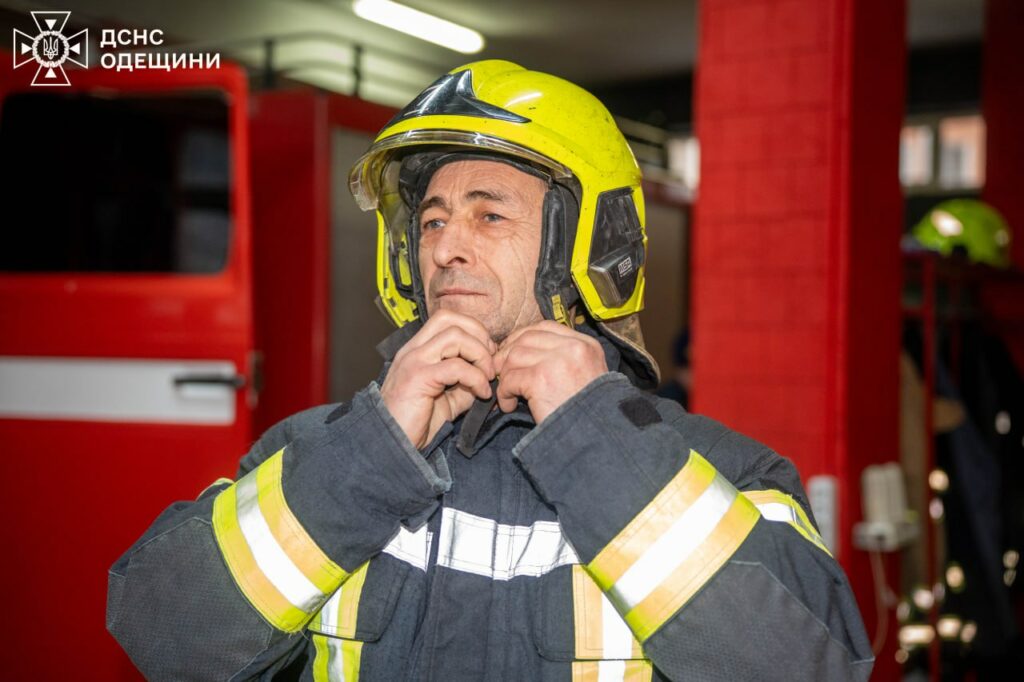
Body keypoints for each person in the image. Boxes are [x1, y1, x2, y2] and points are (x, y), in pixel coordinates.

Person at [107, 60, 873, 681]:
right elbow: (159, 629)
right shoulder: (319, 451)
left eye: (489, 214)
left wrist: (598, 445)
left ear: (592, 241)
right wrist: (373, 451)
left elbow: (817, 667)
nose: (444, 246)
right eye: (432, 218)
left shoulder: (726, 474)